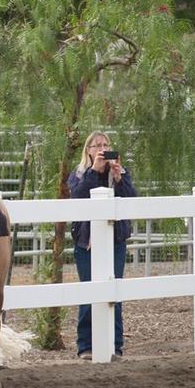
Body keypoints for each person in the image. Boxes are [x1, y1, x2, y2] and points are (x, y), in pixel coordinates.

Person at [68, 130, 137, 360]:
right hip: (86, 243)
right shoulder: (79, 174)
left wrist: (119, 178)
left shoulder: (119, 172)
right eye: (96, 145)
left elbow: (132, 201)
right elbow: (76, 200)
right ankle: (86, 346)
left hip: (115, 241)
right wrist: (94, 172)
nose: (101, 148)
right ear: (88, 150)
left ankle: (115, 346)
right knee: (89, 292)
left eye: (105, 144)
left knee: (114, 293)